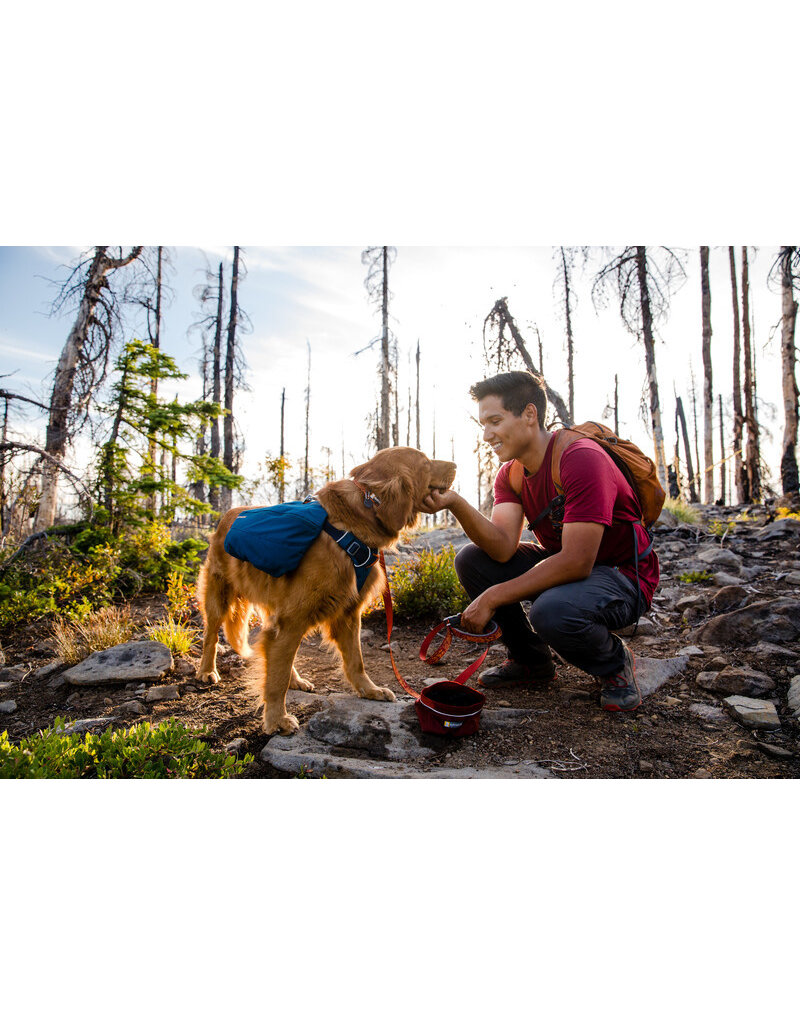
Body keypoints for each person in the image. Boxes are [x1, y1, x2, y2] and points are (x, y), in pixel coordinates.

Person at [420, 370, 660, 712]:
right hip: (573, 569)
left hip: (623, 577)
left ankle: (615, 664)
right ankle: (531, 662)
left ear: (529, 415)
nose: (486, 434)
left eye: (495, 421)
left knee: (551, 611)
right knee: (472, 560)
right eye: (482, 424)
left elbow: (578, 561)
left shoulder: (581, 459)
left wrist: (493, 596)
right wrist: (456, 503)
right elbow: (502, 546)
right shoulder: (511, 472)